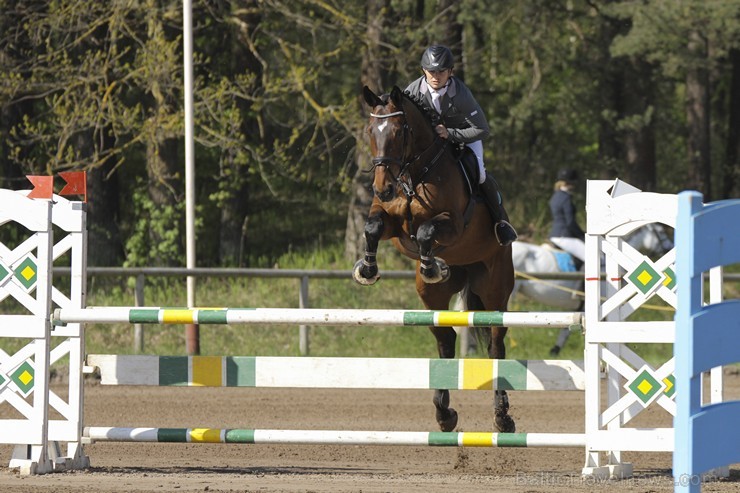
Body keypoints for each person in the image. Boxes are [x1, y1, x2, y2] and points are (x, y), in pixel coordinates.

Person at [404, 44, 518, 246]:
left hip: (465, 136)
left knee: (481, 173)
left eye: (441, 71)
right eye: (431, 71)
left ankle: (500, 221)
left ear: (451, 71)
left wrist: (451, 134)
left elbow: (482, 130)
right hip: (431, 142)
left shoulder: (461, 95)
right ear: (423, 70)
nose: (435, 76)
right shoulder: (413, 91)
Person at [548, 168, 585, 262]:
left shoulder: (555, 196)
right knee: (594, 258)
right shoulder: (566, 198)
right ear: (571, 183)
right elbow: (570, 222)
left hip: (554, 234)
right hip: (565, 236)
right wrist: (582, 235)